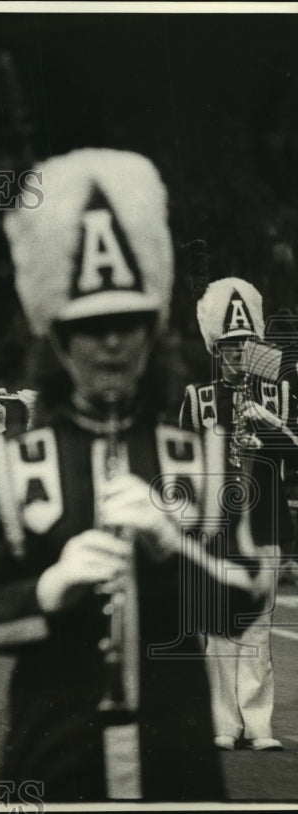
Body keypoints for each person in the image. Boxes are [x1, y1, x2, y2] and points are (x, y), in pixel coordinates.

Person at [0, 148, 274, 801]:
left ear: (153, 331)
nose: (110, 343)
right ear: (56, 339)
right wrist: (52, 586)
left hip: (179, 760)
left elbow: (242, 607)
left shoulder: (200, 453)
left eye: (127, 324)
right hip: (51, 759)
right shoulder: (13, 460)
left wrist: (176, 547)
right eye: (91, 326)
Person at [181, 277, 297, 751]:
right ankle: (223, 721)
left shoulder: (276, 397)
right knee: (216, 625)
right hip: (216, 528)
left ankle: (259, 721)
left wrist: (264, 429)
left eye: (245, 346)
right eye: (229, 347)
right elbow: (183, 466)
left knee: (258, 624)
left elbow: (294, 453)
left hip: (265, 522)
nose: (236, 356)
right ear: (216, 348)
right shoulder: (199, 399)